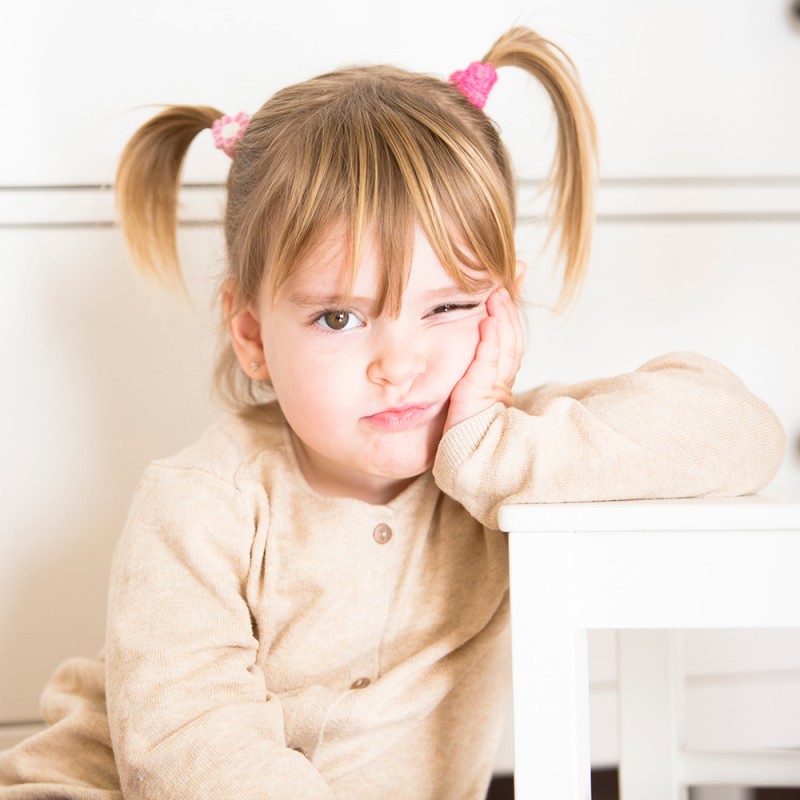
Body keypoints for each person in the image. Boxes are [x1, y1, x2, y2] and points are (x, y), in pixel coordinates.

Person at [0, 25, 784, 800]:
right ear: (252, 335)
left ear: (501, 307)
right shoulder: (202, 504)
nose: (399, 365)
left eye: (446, 306)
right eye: (340, 317)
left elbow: (741, 431)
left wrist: (493, 448)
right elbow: (190, 746)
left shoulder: (506, 456)